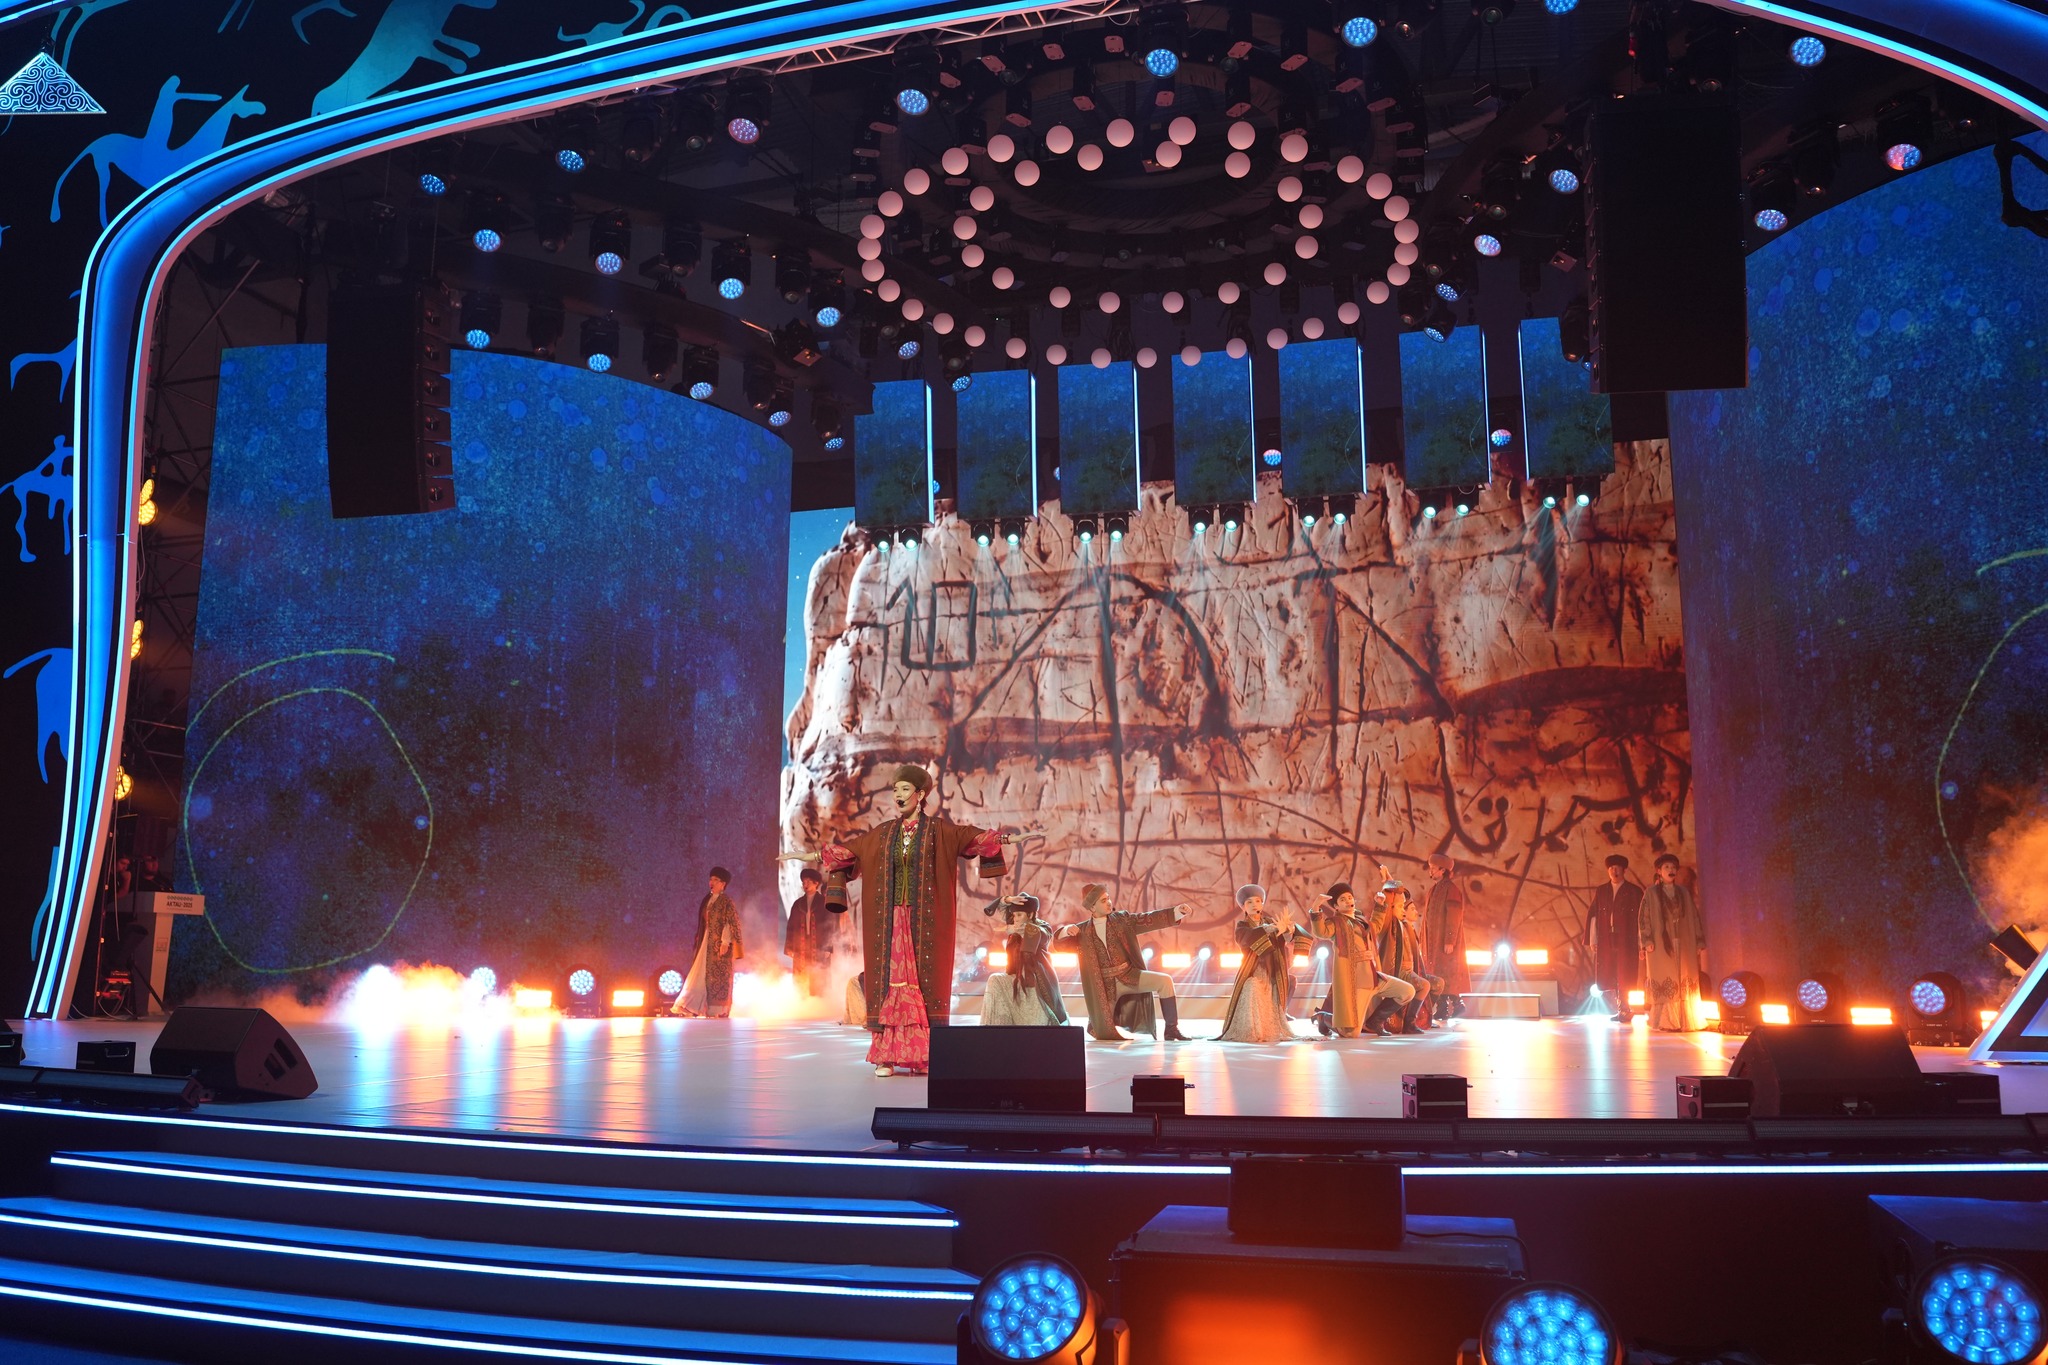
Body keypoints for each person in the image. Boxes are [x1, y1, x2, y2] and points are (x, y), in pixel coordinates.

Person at [812, 763, 1017, 1076]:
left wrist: (1007, 839)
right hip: (890, 919)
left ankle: (920, 1054)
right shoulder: (883, 834)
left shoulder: (938, 831)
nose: (898, 794)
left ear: (920, 795)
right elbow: (849, 852)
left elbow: (970, 837)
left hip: (924, 920)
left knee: (922, 983)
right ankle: (886, 1055)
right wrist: (814, 856)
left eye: (905, 789)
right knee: (889, 982)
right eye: (895, 789)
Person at [1055, 884, 1189, 1041]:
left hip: (1129, 976)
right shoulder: (1082, 931)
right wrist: (1066, 930)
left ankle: (1171, 1029)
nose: (1109, 902)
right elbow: (1059, 945)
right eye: (1103, 900)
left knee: (1165, 981)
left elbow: (1148, 919)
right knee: (1102, 1031)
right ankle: (1096, 1024)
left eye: (1108, 898)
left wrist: (1176, 912)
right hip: (1105, 987)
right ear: (1092, 907)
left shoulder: (1122, 920)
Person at [1311, 882, 1414, 1037]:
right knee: (1351, 1033)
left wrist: (1379, 905)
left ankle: (1375, 1021)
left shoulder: (1361, 920)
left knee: (1407, 991)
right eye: (1342, 899)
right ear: (1336, 907)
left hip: (1374, 977)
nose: (1348, 901)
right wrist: (1316, 908)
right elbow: (1321, 932)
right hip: (1356, 982)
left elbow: (1376, 927)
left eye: (1349, 897)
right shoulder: (1335, 923)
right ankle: (1324, 1018)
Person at [1218, 885, 1313, 1044]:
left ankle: (1273, 1023)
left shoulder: (1272, 922)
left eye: (1257, 901)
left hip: (1272, 972)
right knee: (1251, 986)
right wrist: (1268, 929)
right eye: (1249, 902)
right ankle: (1251, 1030)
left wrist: (1288, 931)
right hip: (1253, 971)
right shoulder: (1242, 926)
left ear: (1262, 904)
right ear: (1243, 907)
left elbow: (1285, 941)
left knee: (1288, 981)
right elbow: (1245, 938)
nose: (1254, 905)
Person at [1641, 853, 1708, 1031]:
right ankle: (1667, 1021)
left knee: (1684, 975)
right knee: (1666, 976)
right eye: (1666, 867)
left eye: (1673, 867)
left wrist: (1698, 941)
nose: (1670, 870)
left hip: (1683, 941)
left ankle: (1685, 1020)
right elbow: (1644, 918)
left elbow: (1694, 917)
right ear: (1659, 871)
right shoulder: (1651, 893)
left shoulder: (1683, 892)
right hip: (1661, 943)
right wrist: (1647, 940)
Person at [980, 893, 1068, 1026]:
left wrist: (1015, 930)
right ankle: (993, 1031)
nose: (1015, 919)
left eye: (1019, 915)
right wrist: (1008, 900)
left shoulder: (1043, 928)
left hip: (1036, 985)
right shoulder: (1015, 927)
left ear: (1031, 915)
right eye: (1014, 915)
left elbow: (1036, 933)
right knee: (994, 979)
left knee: (1035, 1027)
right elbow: (997, 910)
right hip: (1016, 980)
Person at [673, 867, 744, 1018]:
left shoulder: (726, 901)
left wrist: (725, 941)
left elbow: (730, 922)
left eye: (716, 880)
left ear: (723, 884)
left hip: (719, 944)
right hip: (706, 941)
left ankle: (717, 1009)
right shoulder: (708, 900)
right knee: (700, 972)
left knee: (717, 977)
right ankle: (692, 1005)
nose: (712, 882)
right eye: (711, 879)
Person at [1376, 880, 1442, 1032]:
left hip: (1408, 970)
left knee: (1430, 984)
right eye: (1401, 907)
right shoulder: (1391, 925)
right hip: (1397, 971)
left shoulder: (1404, 926)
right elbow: (1390, 899)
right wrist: (1386, 884)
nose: (1405, 911)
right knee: (1424, 985)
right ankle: (1406, 1022)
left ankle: (1412, 1021)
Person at [1584, 854, 1644, 1018]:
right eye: (1611, 868)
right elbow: (1594, 915)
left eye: (1617, 868)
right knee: (1610, 972)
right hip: (1607, 938)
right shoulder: (1602, 890)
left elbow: (1641, 919)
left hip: (1627, 939)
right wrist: (1593, 939)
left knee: (1626, 972)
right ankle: (1620, 1008)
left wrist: (1641, 943)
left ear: (1624, 870)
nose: (1614, 871)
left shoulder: (1634, 891)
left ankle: (1625, 1008)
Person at [1420, 853, 1469, 1020]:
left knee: (1447, 972)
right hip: (1433, 943)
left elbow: (1454, 916)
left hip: (1445, 942)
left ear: (1443, 870)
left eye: (1433, 868)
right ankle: (1443, 1008)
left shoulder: (1451, 890)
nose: (1430, 871)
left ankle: (1456, 1004)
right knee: (1437, 973)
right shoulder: (1433, 890)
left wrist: (1450, 940)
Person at [784, 867, 834, 997]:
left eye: (808, 882)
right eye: (803, 882)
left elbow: (830, 926)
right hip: (801, 945)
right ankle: (803, 1002)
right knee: (802, 976)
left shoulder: (824, 902)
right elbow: (791, 927)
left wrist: (828, 947)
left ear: (816, 883)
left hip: (819, 945)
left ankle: (820, 1002)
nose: (805, 885)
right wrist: (789, 947)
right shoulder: (797, 904)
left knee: (819, 974)